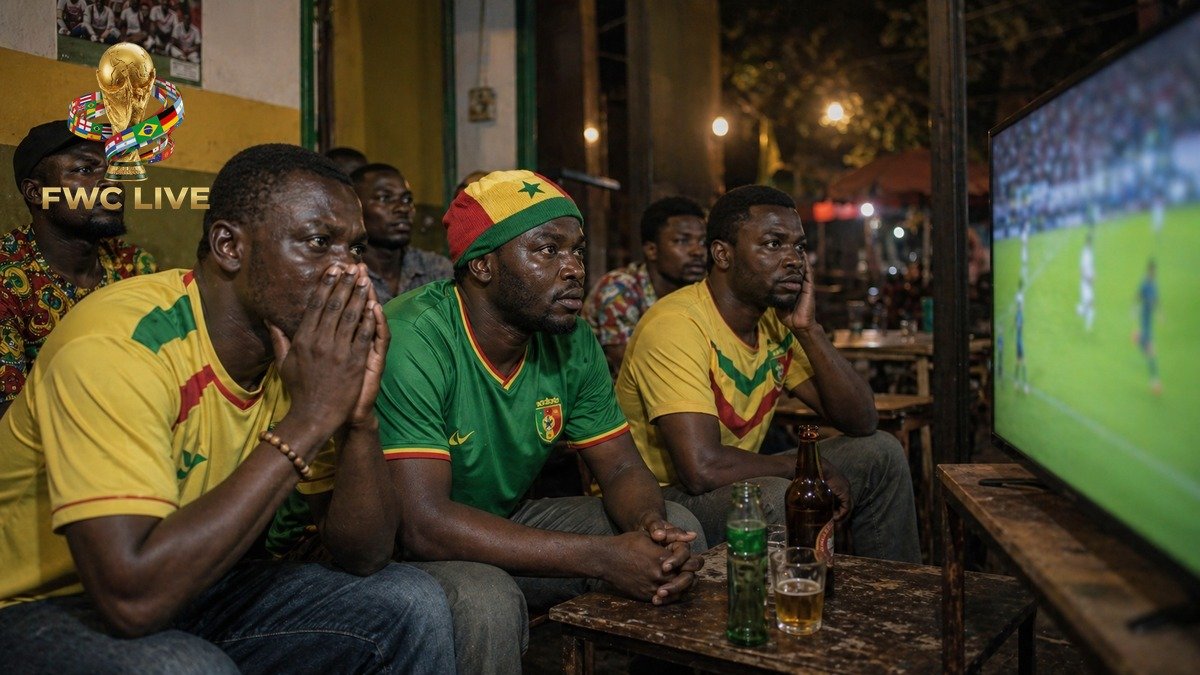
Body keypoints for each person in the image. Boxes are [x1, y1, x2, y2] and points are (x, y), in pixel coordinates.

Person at [0, 144, 455, 673]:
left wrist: (357, 417)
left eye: (354, 249)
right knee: (184, 667)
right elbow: (131, 600)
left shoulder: (299, 349)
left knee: (409, 602)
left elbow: (365, 553)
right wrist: (309, 419)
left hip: (194, 582)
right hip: (40, 607)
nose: (349, 274)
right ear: (229, 246)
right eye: (317, 243)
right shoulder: (118, 345)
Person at [378, 170, 705, 675]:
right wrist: (603, 557)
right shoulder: (415, 338)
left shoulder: (571, 337)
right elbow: (423, 524)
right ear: (483, 265)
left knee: (678, 533)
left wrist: (648, 526)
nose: (573, 268)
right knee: (487, 599)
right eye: (547, 250)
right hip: (400, 551)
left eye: (576, 250)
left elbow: (618, 468)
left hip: (500, 523)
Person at [617, 185, 921, 562]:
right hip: (662, 500)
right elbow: (701, 468)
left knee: (881, 452)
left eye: (798, 246)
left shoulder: (777, 325)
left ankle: (891, 600)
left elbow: (861, 419)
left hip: (730, 482)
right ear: (723, 254)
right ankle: (797, 609)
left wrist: (809, 330)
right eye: (773, 244)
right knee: (775, 494)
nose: (794, 259)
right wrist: (804, 468)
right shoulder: (676, 324)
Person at [1, 120, 157, 417]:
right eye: (85, 170)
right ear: (36, 193)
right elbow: (8, 419)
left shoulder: (136, 268)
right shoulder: (9, 276)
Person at [582, 196, 707, 376]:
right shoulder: (619, 288)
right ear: (651, 250)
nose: (697, 251)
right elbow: (636, 366)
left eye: (702, 242)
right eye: (682, 241)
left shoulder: (700, 291)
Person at [351, 163, 453, 304]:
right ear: (354, 207)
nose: (403, 208)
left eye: (407, 200)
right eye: (384, 198)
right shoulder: (346, 274)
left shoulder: (436, 270)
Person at [1135, 258, 1160, 394]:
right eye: (1153, 271)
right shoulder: (1145, 283)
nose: (1154, 273)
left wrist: (1159, 313)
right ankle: (1154, 381)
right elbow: (1139, 296)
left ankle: (1138, 337)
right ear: (1149, 271)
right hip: (1144, 320)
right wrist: (1135, 309)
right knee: (1151, 351)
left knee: (1147, 350)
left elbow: (1155, 299)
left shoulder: (1154, 284)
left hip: (1149, 321)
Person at [1077, 227, 1095, 332]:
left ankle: (1087, 322)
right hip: (1085, 282)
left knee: (1089, 302)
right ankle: (1081, 311)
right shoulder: (1085, 254)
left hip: (1088, 281)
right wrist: (1088, 278)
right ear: (1088, 241)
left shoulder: (1089, 252)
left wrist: (1093, 275)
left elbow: (1090, 267)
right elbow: (1082, 269)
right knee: (1088, 303)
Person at [1014, 277, 1029, 394]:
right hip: (1019, 342)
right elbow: (1019, 326)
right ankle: (1024, 385)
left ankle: (1016, 382)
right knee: (1023, 362)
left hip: (1017, 340)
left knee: (1018, 362)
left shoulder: (1018, 314)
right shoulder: (1020, 316)